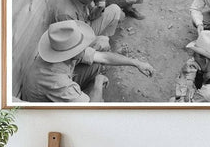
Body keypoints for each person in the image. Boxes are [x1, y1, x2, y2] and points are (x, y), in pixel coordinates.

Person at [21, 20, 154, 103]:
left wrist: (136, 63)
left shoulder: (59, 52)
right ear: (71, 53)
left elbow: (103, 57)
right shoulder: (57, 82)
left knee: (96, 65)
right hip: (46, 114)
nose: (84, 46)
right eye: (80, 45)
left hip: (55, 90)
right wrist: (98, 81)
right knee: (98, 102)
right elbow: (91, 109)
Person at [53, 0, 122, 51]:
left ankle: (105, 41)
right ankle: (99, 52)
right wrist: (98, 40)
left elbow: (91, 16)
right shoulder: (66, 13)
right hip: (77, 40)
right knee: (102, 42)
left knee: (115, 9)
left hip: (87, 26)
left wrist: (100, 7)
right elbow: (74, 41)